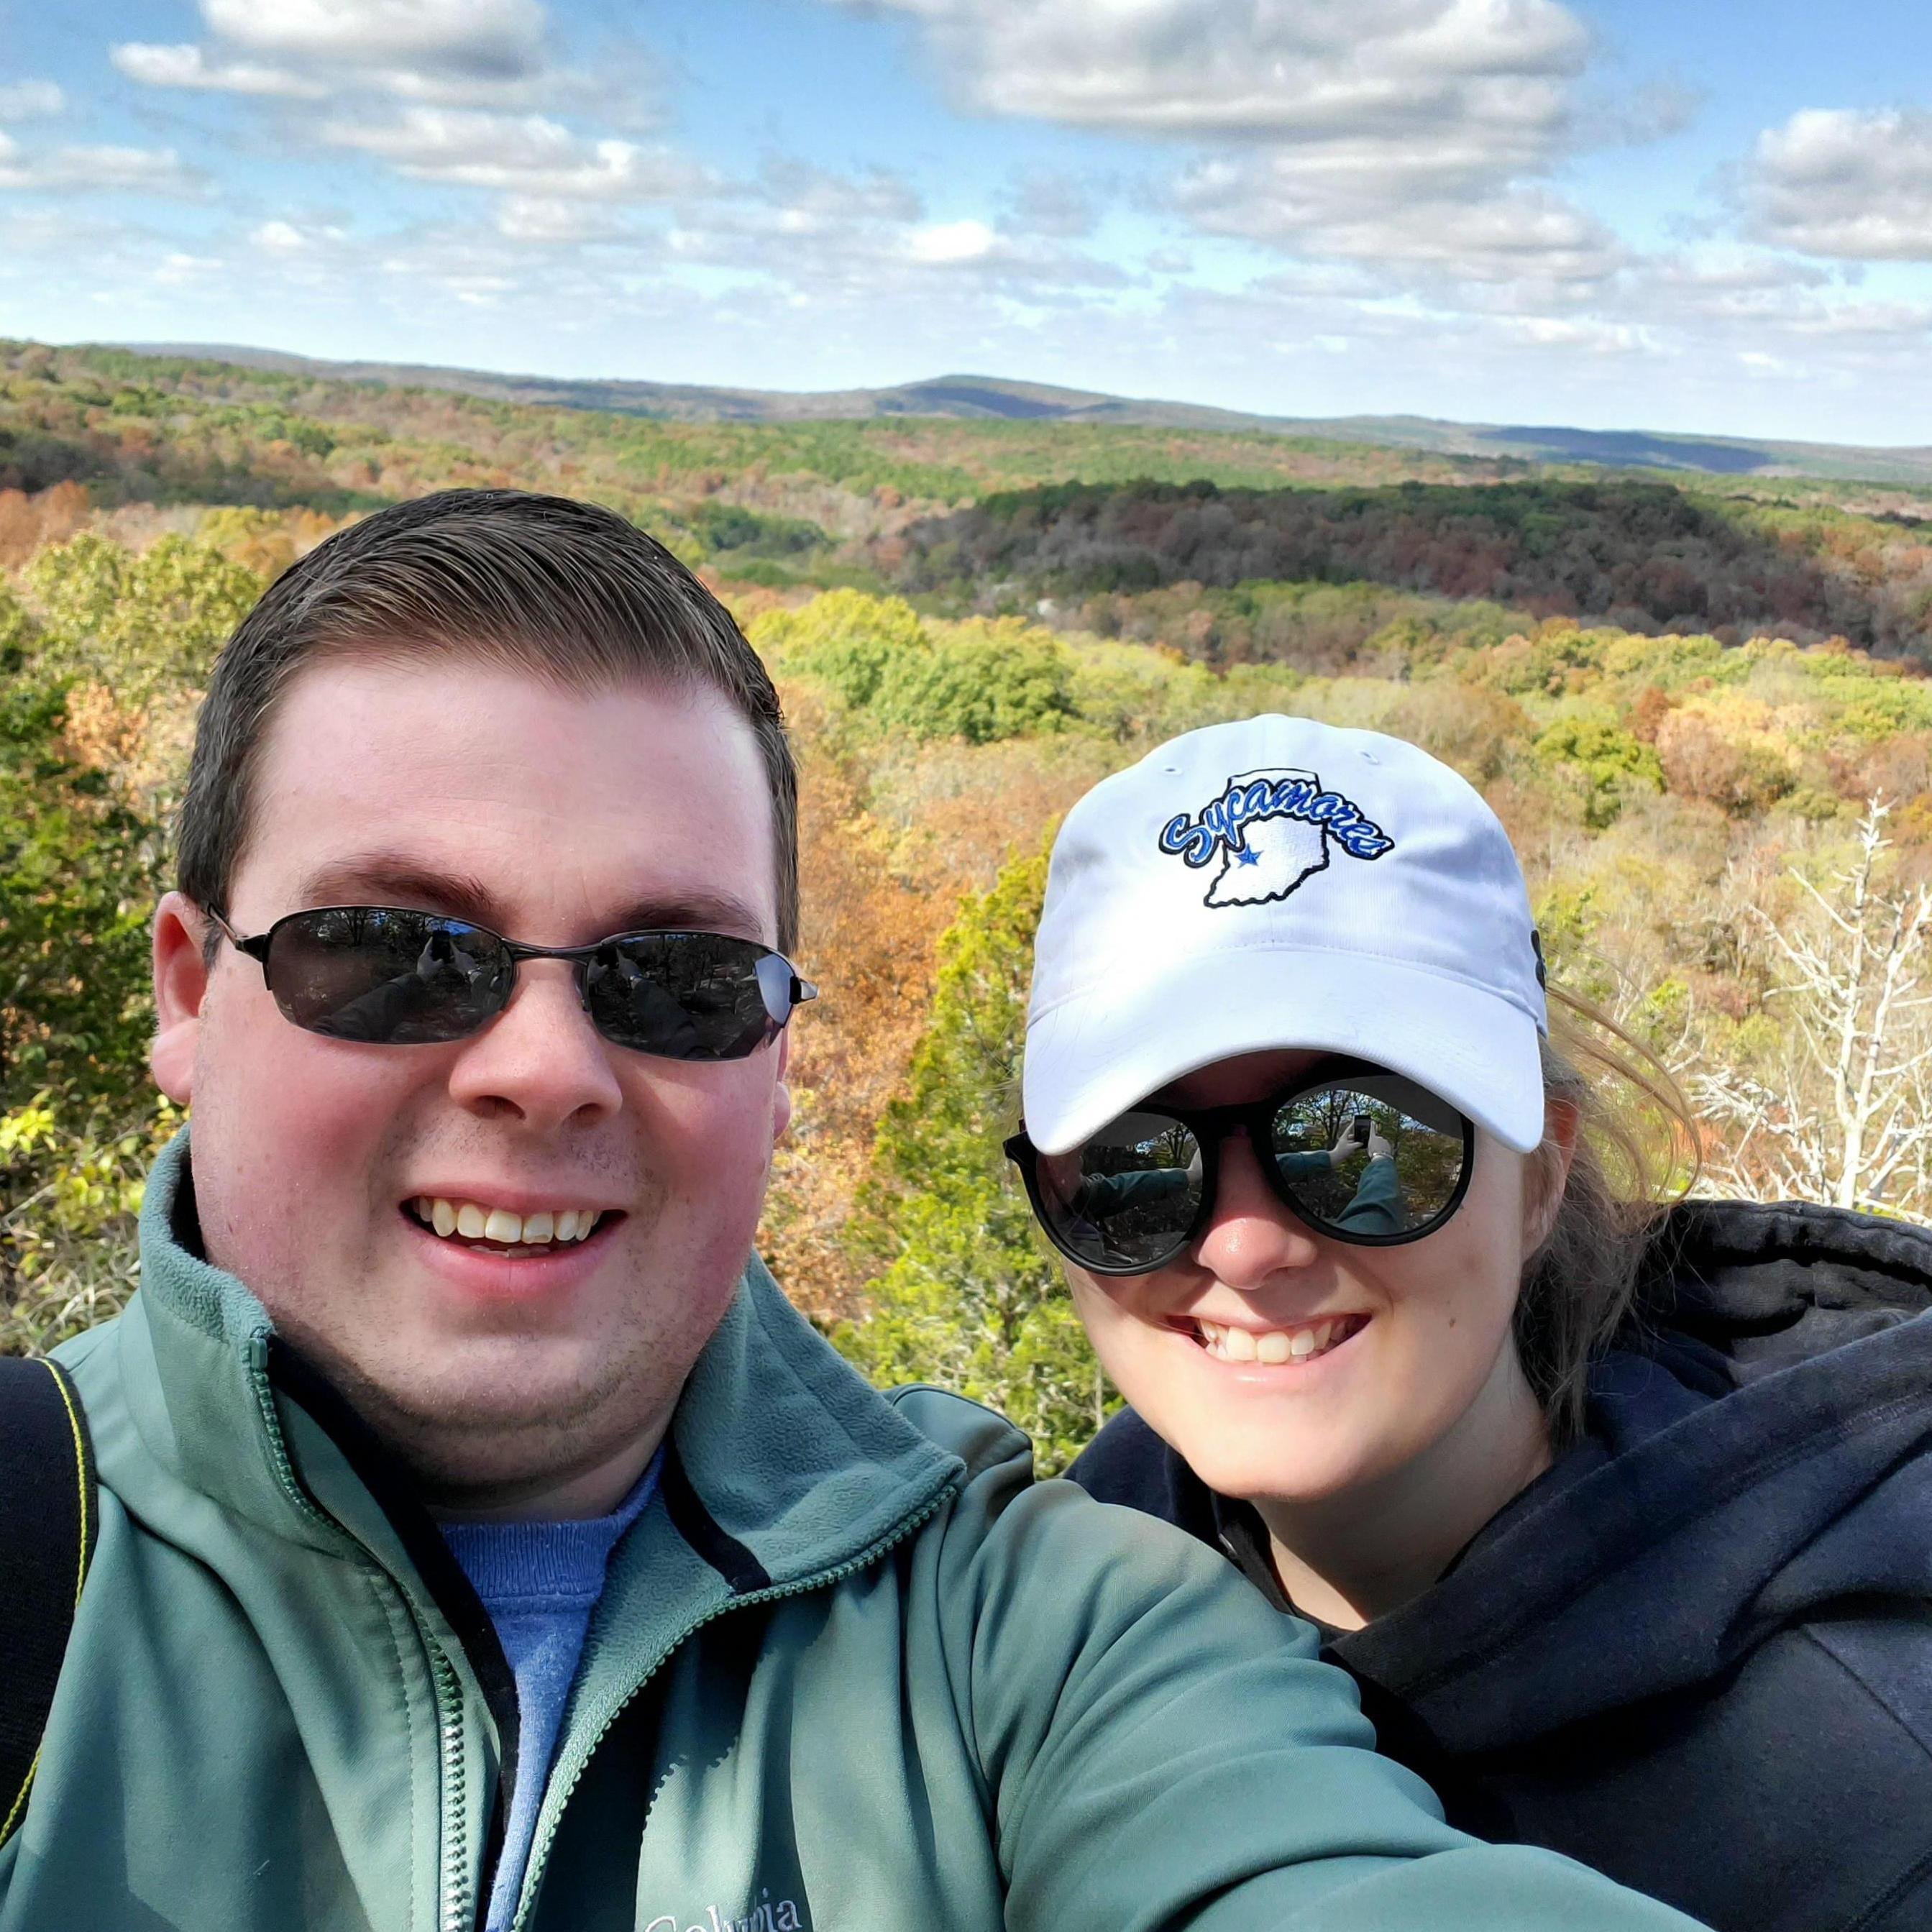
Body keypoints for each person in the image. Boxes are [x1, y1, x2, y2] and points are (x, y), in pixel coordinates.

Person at [0, 493, 1704, 1932]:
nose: (542, 1066)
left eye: (672, 977)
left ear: (780, 1054)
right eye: (392, 952)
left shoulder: (1041, 1641)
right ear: (186, 987)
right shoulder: (31, 1559)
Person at [1007, 711, 1932, 1932]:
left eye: (1367, 1141)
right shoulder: (1054, 1620)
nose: (1244, 1244)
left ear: (1542, 1176)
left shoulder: (1870, 1805)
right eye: (1135, 1167)